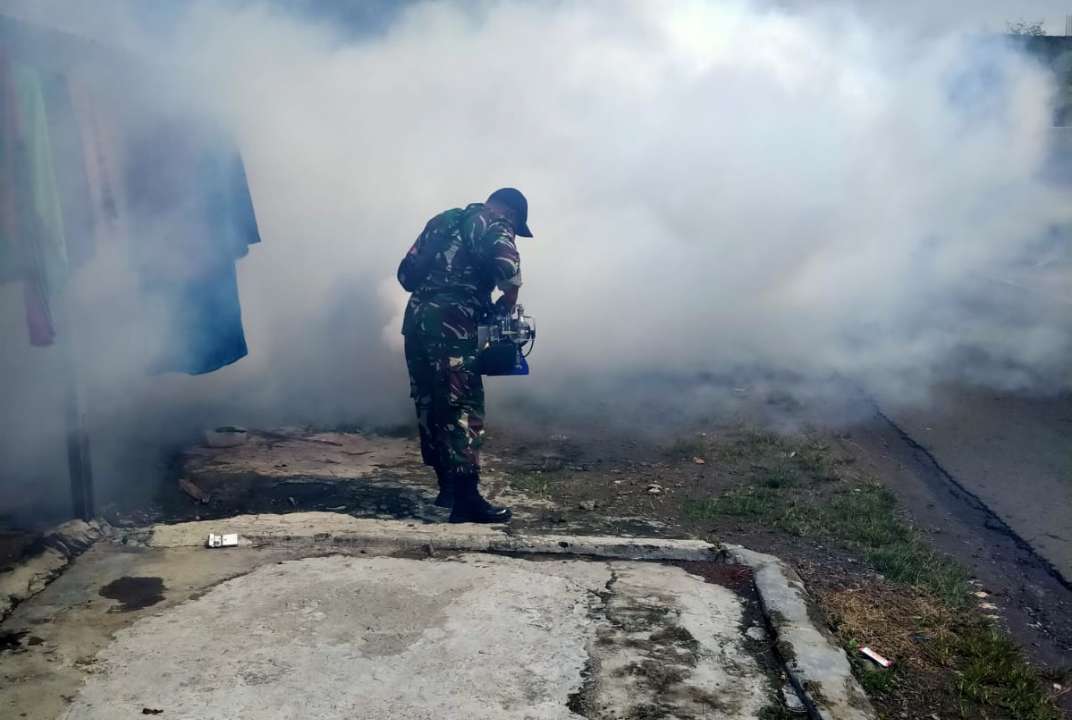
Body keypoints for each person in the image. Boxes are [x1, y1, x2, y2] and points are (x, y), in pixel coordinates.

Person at [397, 188, 532, 523]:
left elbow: (406, 275)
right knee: (462, 405)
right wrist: (507, 302)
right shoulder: (496, 224)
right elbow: (508, 270)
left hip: (417, 322)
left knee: (430, 402)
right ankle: (467, 500)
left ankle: (447, 488)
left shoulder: (442, 220)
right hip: (454, 326)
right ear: (511, 215)